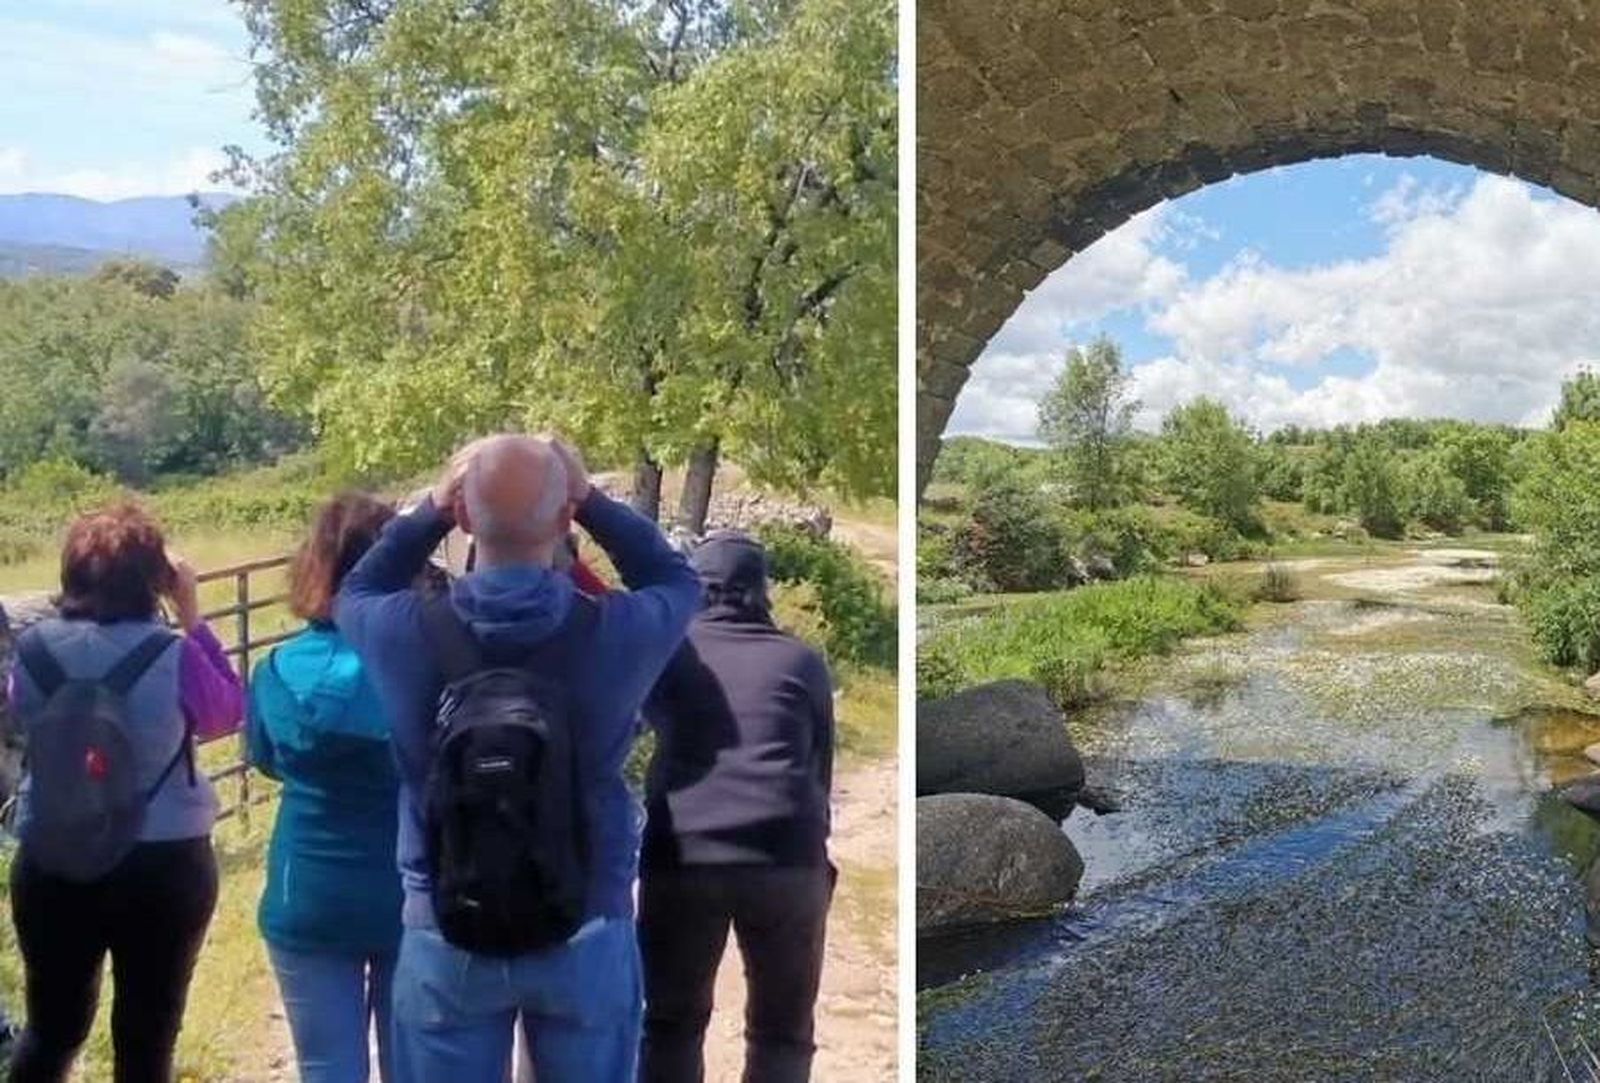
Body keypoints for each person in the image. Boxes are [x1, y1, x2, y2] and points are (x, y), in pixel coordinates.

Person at [333, 434, 700, 1083]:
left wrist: (432, 511)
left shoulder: (403, 630)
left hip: (446, 924)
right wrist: (590, 500)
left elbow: (356, 585)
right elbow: (675, 577)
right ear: (564, 522)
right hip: (586, 918)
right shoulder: (617, 630)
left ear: (466, 519)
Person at [5, 503, 243, 1083]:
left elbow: (18, 713)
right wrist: (192, 617)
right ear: (154, 577)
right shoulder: (175, 653)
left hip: (54, 852)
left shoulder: (32, 651)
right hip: (163, 861)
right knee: (146, 1040)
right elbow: (227, 713)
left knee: (51, 1031)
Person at [638, 531, 837, 1083]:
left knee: (670, 1023)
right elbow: (819, 770)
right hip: (787, 857)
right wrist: (816, 858)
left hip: (683, 855)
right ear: (762, 591)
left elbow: (621, 727)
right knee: (783, 1032)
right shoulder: (802, 661)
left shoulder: (670, 653)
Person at [245, 493, 403, 1083]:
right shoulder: (414, 664)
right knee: (411, 1066)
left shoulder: (275, 668)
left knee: (327, 1070)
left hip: (305, 887)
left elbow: (265, 759)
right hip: (404, 889)